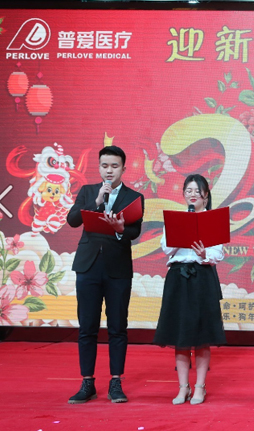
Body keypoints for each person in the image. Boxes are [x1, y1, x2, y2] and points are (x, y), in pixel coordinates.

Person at [66, 145, 144, 404]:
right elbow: (73, 220)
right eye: (104, 166)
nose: (109, 171)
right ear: (99, 167)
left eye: (114, 166)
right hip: (88, 267)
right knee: (87, 326)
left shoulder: (134, 197)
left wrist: (121, 229)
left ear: (123, 168)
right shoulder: (88, 192)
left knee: (118, 327)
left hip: (117, 269)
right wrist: (97, 202)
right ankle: (87, 382)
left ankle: (116, 382)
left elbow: (135, 231)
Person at [153, 174, 226, 405]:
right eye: (189, 190)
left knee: (202, 336)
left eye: (197, 191)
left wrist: (204, 254)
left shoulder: (212, 220)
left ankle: (200, 387)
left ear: (206, 196)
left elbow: (219, 254)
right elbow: (166, 249)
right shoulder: (176, 219)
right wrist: (180, 235)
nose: (193, 195)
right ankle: (182, 387)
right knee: (180, 335)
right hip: (178, 278)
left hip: (202, 277)